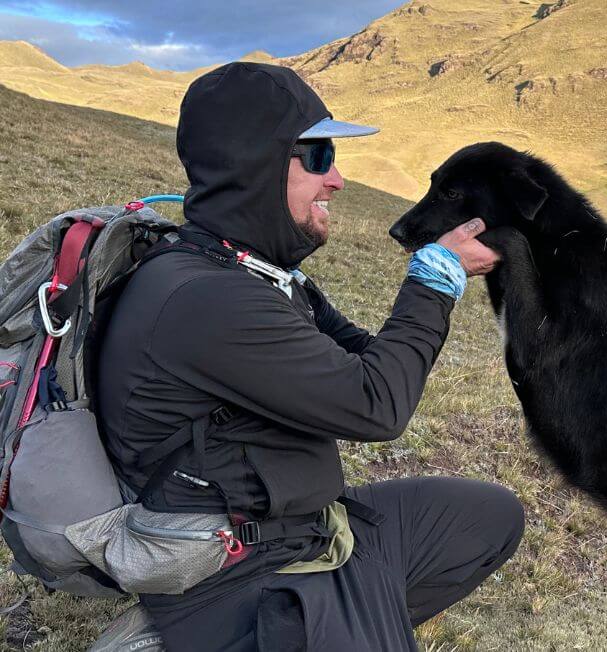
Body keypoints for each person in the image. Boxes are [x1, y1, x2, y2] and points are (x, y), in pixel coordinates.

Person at [94, 62, 524, 650]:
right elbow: (377, 407)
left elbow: (371, 363)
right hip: (235, 568)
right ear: (257, 166)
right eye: (319, 156)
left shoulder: (248, 270)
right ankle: (217, 635)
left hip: (304, 528)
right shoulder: (208, 298)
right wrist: (435, 278)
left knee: (489, 518)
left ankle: (341, 616)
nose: (338, 179)